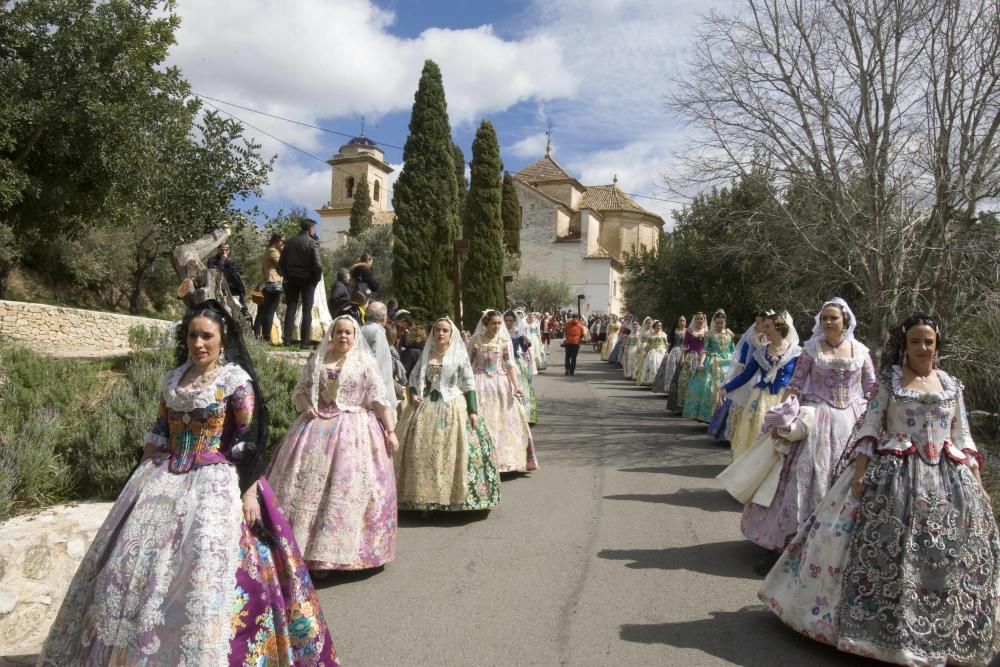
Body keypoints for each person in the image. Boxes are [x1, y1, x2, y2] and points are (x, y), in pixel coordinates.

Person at [39, 301, 338, 665]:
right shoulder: (173, 379)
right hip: (162, 479)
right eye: (192, 335)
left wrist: (249, 492)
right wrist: (135, 484)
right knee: (134, 569)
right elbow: (160, 432)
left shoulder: (234, 381)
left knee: (204, 570)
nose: (199, 343)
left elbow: (248, 439)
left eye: (206, 336)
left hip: (216, 483)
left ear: (222, 337)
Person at [760, 314, 999, 666]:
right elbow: (871, 426)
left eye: (928, 342)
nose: (922, 348)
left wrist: (978, 484)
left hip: (949, 480)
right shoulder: (890, 381)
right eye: (915, 341)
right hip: (893, 477)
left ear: (937, 345)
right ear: (904, 345)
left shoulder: (950, 384)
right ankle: (877, 628)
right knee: (883, 548)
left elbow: (962, 437)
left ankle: (940, 626)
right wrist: (860, 472)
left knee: (944, 554)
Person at [742, 299, 878, 574]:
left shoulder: (861, 352)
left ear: (846, 322)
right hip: (816, 421)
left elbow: (872, 389)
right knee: (798, 482)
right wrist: (786, 415)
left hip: (852, 424)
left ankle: (839, 551)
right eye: (825, 318)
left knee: (846, 484)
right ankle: (785, 546)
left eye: (833, 318)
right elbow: (795, 384)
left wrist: (876, 422)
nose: (828, 322)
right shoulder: (811, 349)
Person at [266, 315, 398, 573]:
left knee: (347, 489)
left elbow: (379, 399)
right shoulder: (318, 360)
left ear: (355, 335)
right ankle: (304, 551)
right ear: (332, 334)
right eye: (339, 331)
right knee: (305, 487)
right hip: (316, 430)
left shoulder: (364, 364)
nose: (343, 336)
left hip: (355, 431)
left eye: (348, 332)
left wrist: (390, 431)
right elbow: (301, 391)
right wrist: (306, 409)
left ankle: (339, 555)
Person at [395, 317, 501, 512]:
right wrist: (414, 395)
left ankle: (454, 498)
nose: (440, 334)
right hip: (427, 407)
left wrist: (473, 411)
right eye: (437, 330)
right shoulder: (426, 356)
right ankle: (423, 499)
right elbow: (413, 379)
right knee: (422, 451)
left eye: (445, 330)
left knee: (454, 451)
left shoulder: (459, 357)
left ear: (451, 334)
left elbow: (469, 385)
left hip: (453, 405)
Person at [720, 311, 800, 461]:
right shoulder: (760, 352)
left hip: (785, 400)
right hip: (761, 399)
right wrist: (726, 388)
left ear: (779, 328)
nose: (764, 330)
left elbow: (800, 379)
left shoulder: (796, 352)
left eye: (768, 326)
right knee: (757, 435)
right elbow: (746, 375)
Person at [468, 310, 537, 472]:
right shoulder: (475, 340)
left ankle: (506, 460)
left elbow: (510, 365)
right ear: (486, 323)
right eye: (494, 323)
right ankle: (482, 460)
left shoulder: (504, 341)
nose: (498, 326)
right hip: (479, 382)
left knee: (505, 420)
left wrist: (516, 386)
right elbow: (466, 363)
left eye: (499, 323)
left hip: (501, 384)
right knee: (483, 419)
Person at [708, 311, 767, 441]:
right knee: (738, 404)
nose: (756, 325)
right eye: (756, 322)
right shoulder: (750, 339)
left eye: (759, 322)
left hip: (763, 379)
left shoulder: (771, 342)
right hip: (748, 374)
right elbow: (743, 359)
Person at [682, 309, 735, 422]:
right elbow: (705, 350)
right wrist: (701, 363)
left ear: (725, 322)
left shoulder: (729, 333)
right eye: (718, 323)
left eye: (722, 323)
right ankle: (709, 415)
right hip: (713, 363)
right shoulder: (709, 334)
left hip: (728, 363)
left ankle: (725, 417)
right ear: (714, 322)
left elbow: (733, 350)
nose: (720, 325)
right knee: (709, 388)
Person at [280, 218, 323, 348]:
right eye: (314, 228)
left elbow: (281, 263)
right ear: (311, 229)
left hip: (292, 279)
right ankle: (304, 343)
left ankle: (287, 340)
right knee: (306, 310)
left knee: (291, 308)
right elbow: (318, 265)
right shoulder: (312, 243)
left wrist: (287, 275)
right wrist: (316, 278)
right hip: (308, 280)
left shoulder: (290, 242)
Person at [360, 301, 399, 412]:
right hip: (377, 393)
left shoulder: (360, 329)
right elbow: (377, 363)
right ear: (384, 317)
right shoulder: (378, 333)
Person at [669, 313, 708, 413]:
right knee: (684, 381)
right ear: (694, 320)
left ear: (704, 320)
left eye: (701, 318)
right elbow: (685, 345)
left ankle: (697, 408)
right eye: (697, 318)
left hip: (703, 358)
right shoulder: (690, 331)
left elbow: (708, 346)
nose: (699, 320)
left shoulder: (707, 332)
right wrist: (682, 357)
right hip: (690, 357)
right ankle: (682, 406)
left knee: (701, 383)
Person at [505, 310, 537, 423]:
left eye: (511, 320)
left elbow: (524, 348)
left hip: (516, 361)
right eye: (507, 320)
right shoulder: (500, 332)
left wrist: (526, 342)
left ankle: (524, 415)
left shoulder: (517, 333)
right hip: (503, 363)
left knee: (521, 386)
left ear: (514, 321)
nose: (508, 322)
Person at [254, 232, 284, 342]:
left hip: (267, 283)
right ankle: (266, 338)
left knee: (264, 312)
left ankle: (261, 337)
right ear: (276, 241)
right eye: (282, 242)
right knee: (269, 311)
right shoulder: (273, 251)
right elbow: (282, 264)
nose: (283, 244)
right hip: (273, 283)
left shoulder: (269, 251)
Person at [207, 242, 248, 307]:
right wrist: (222, 261)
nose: (224, 252)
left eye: (226, 249)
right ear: (218, 249)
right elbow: (214, 272)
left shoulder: (232, 261)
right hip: (219, 288)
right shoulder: (212, 260)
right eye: (222, 249)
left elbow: (234, 271)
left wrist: (227, 261)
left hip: (234, 290)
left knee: (242, 309)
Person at [653, 315, 686, 394]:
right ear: (678, 322)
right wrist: (667, 352)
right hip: (675, 350)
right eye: (680, 321)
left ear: (685, 322)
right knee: (671, 367)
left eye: (683, 320)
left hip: (685, 351)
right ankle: (670, 388)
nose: (682, 322)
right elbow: (670, 343)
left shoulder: (688, 331)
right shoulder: (675, 331)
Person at [636, 320, 669, 387]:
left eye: (660, 326)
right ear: (655, 326)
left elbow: (666, 344)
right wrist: (644, 352)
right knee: (651, 365)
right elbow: (648, 345)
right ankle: (651, 381)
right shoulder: (651, 334)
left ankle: (658, 382)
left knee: (659, 365)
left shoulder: (663, 334)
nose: (659, 327)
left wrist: (667, 352)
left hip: (661, 352)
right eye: (658, 326)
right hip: (652, 352)